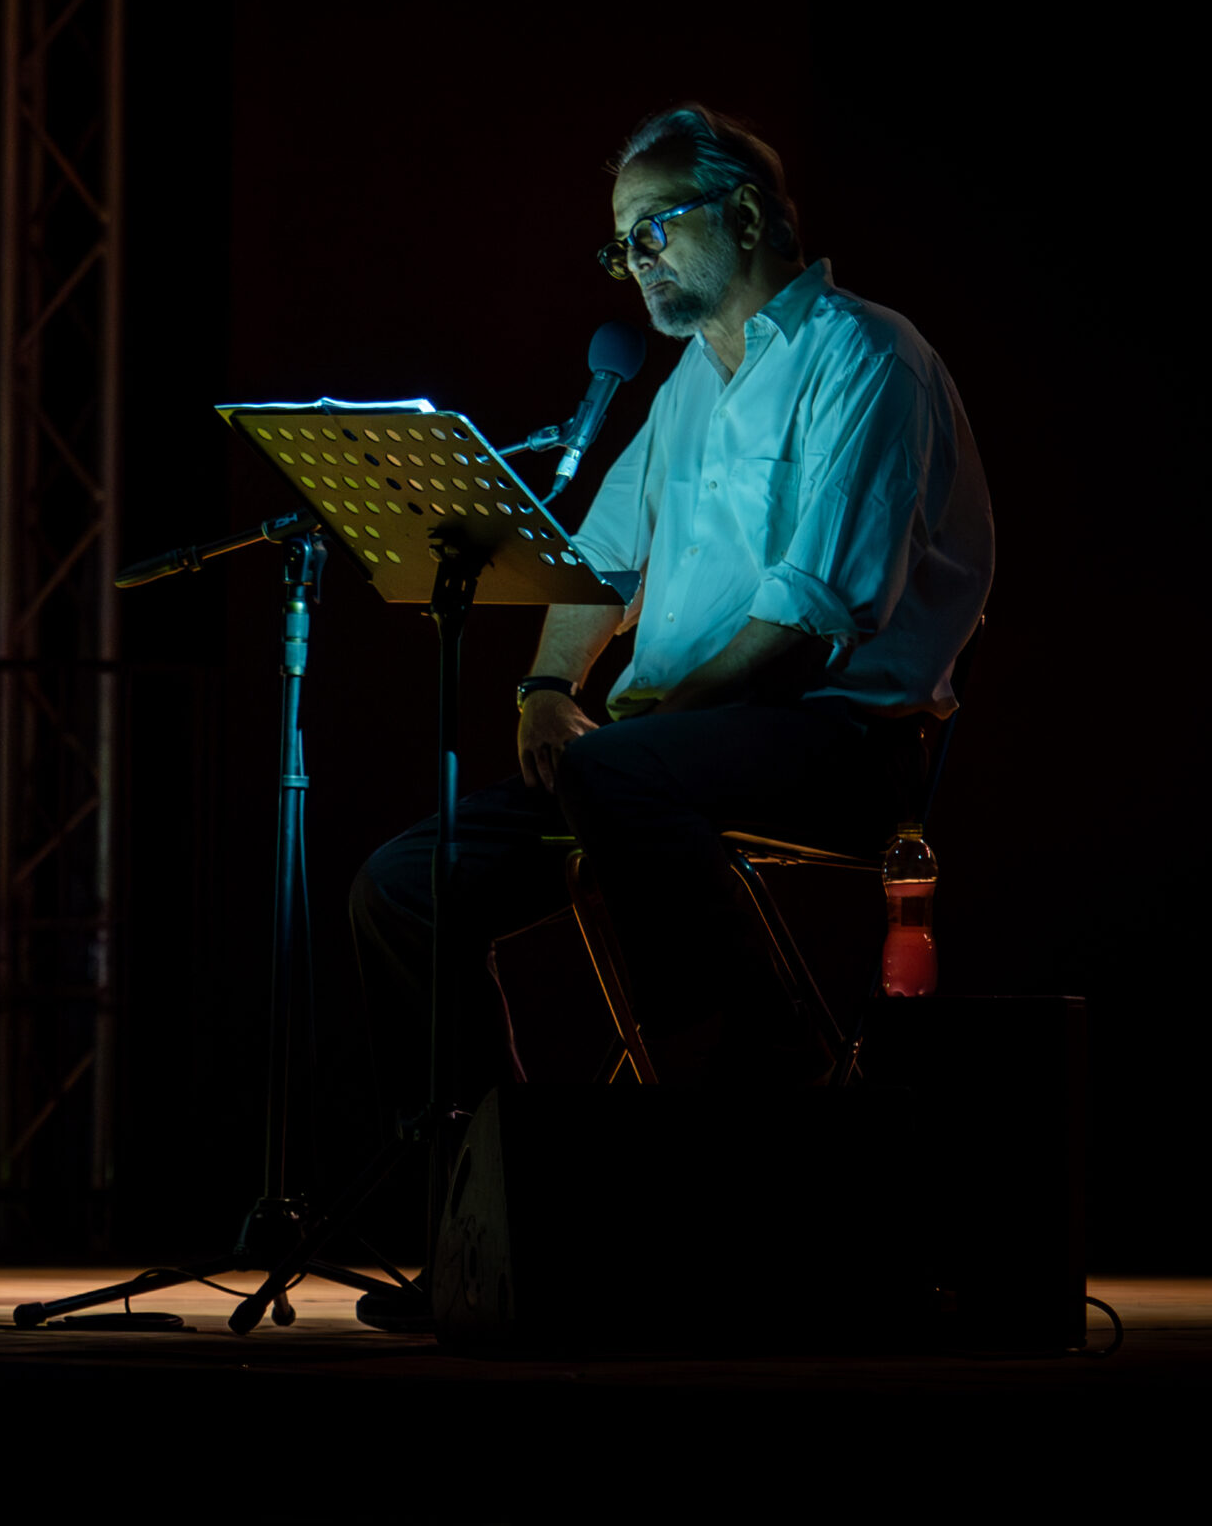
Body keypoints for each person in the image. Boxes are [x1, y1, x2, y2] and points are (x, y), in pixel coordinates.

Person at [352, 103, 992, 1103]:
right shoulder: (687, 386)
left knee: (617, 772)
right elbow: (600, 562)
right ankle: (496, 1194)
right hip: (654, 759)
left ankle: (762, 1061)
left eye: (652, 226)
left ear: (742, 217)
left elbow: (811, 615)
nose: (634, 257)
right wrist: (543, 687)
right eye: (620, 245)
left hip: (840, 744)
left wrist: (646, 724)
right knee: (401, 886)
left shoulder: (867, 357)